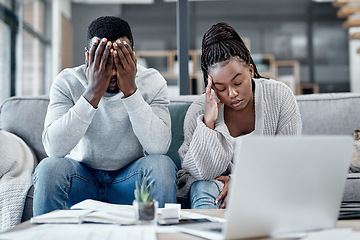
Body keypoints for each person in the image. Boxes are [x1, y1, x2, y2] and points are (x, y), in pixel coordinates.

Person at [33, 16, 177, 216]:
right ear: (87, 56)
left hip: (129, 179)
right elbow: (54, 149)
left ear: (132, 56)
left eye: (119, 60)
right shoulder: (67, 81)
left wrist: (131, 92)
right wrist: (92, 92)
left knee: (162, 166)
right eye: (101, 59)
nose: (111, 72)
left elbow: (158, 147)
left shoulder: (152, 81)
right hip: (82, 178)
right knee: (49, 168)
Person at [177, 22, 302, 209]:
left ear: (250, 70)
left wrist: (240, 182)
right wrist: (208, 124)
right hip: (217, 192)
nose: (232, 94)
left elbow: (289, 160)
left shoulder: (279, 95)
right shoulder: (198, 111)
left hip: (267, 186)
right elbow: (197, 174)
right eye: (220, 87)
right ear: (210, 85)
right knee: (202, 187)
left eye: (237, 83)